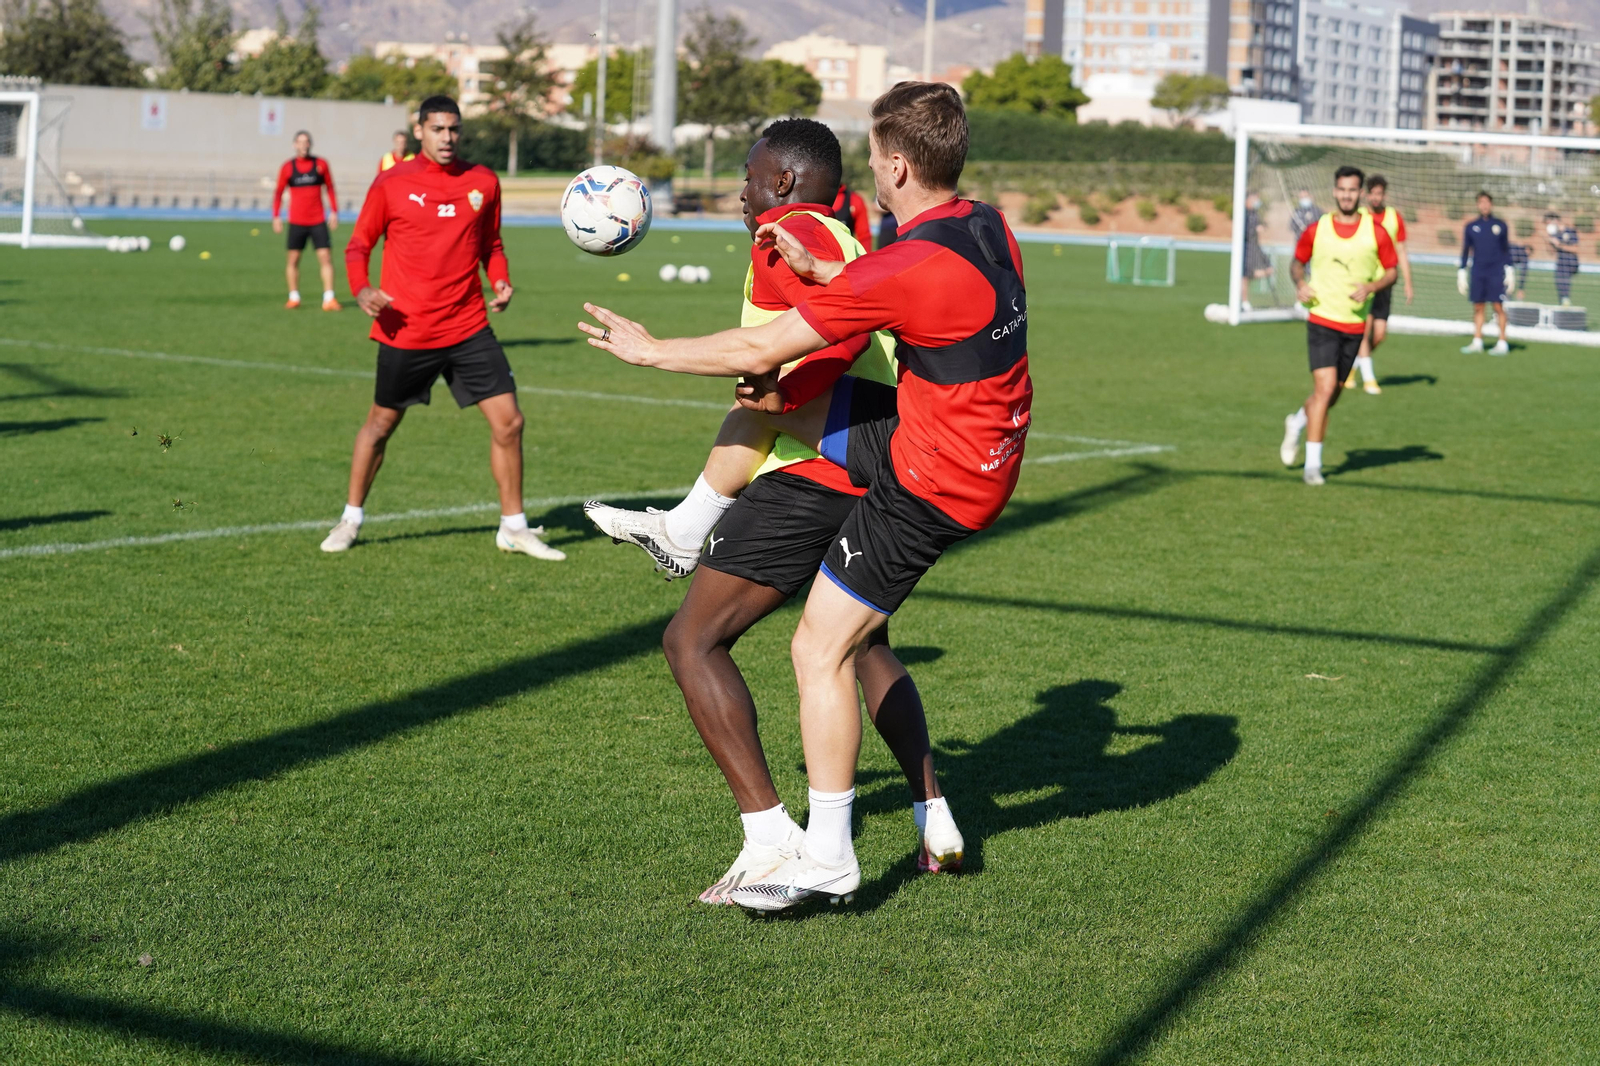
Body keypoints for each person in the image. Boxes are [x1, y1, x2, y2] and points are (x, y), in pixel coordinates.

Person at [580, 81, 1032, 911]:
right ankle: (688, 525)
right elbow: (908, 301)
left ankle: (827, 855)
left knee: (816, 650)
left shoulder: (904, 265)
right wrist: (835, 269)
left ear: (897, 165)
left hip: (930, 478)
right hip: (969, 445)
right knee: (788, 415)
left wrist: (650, 352)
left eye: (872, 156)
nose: (869, 168)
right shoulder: (985, 225)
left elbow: (762, 344)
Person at [319, 95, 562, 561]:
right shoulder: (391, 183)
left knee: (510, 422)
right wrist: (362, 290)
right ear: (420, 131)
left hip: (469, 325)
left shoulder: (483, 181)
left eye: (454, 130)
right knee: (380, 425)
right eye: (438, 129)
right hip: (405, 329)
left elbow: (491, 243)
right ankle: (350, 518)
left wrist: (501, 280)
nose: (447, 138)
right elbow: (357, 247)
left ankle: (513, 526)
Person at [1278, 165, 1398, 487]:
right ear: (1334, 191)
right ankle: (1313, 466)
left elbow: (1391, 271)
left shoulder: (1376, 231)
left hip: (1355, 325)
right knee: (1325, 388)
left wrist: (1371, 288)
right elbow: (1296, 262)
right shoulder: (1318, 229)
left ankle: (1297, 421)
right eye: (1341, 189)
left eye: (1352, 190)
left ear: (1360, 193)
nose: (1346, 195)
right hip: (1321, 319)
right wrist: (1300, 283)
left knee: (1329, 397)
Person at [1344, 174, 1414, 396]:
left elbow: (1401, 251)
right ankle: (1370, 380)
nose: (1375, 197)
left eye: (1379, 193)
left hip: (1386, 281)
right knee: (1364, 331)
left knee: (1380, 334)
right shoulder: (1360, 216)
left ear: (1384, 195)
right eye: (1372, 193)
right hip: (1365, 282)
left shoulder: (1394, 217)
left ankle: (1351, 366)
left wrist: (1408, 282)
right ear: (1366, 194)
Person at [272, 130, 340, 311]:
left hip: (318, 220)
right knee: (293, 260)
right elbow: (278, 192)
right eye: (300, 142)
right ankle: (294, 296)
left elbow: (330, 188)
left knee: (326, 258)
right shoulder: (288, 167)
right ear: (294, 144)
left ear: (310, 144)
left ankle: (329, 298)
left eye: (306, 142)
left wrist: (334, 211)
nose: (303, 145)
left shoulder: (321, 164)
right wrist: (276, 216)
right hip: (297, 222)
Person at [1457, 191, 1513, 355]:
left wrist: (1509, 270)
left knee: (1498, 306)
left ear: (1491, 204)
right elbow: (1466, 250)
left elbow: (1506, 250)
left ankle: (1502, 342)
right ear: (1477, 205)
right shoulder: (1470, 227)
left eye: (1487, 202)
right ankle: (1477, 341)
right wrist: (1461, 271)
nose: (1484, 205)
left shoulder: (1501, 225)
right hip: (1478, 271)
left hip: (1496, 271)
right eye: (1481, 202)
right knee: (1478, 306)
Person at [1241, 191, 1270, 312]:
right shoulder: (1243, 213)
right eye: (1255, 198)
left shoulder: (1255, 213)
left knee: (1269, 270)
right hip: (1246, 248)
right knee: (1245, 276)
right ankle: (1244, 302)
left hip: (1256, 247)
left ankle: (1244, 299)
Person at [1545, 211, 1580, 306]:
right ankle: (1563, 301)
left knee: (1563, 276)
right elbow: (1551, 253)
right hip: (1561, 263)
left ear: (1555, 220)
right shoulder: (1555, 234)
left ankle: (1565, 299)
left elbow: (1576, 248)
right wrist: (1548, 241)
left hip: (1571, 263)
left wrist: (1560, 245)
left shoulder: (1570, 231)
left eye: (1549, 223)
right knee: (1558, 280)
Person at [831, 182, 873, 251]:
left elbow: (864, 236)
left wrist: (865, 260)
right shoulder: (811, 199)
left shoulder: (854, 200)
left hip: (845, 259)